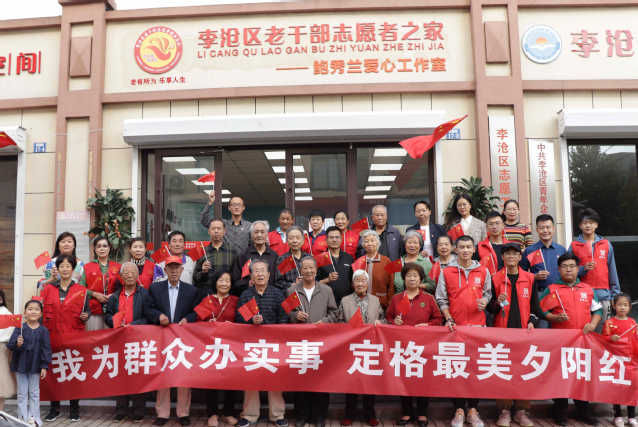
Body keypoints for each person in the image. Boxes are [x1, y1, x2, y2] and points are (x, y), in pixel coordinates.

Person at [539, 253, 602, 426]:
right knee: (561, 376)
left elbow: (597, 310)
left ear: (577, 268)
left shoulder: (587, 289)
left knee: (582, 375)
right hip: (560, 343)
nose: (568, 269)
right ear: (559, 269)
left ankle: (583, 411)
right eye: (565, 266)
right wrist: (554, 318)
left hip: (583, 341)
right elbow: (541, 310)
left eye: (572, 266)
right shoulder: (552, 289)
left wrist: (593, 324)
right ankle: (560, 412)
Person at [435, 235, 491, 427]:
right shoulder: (447, 271)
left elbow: (488, 293)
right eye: (462, 247)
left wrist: (485, 301)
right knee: (457, 369)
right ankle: (459, 409)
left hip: (477, 327)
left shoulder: (483, 270)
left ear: (474, 249)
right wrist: (448, 318)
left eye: (469, 247)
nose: (465, 250)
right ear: (455, 249)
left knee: (474, 369)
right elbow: (441, 299)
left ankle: (473, 410)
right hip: (455, 327)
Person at [487, 243, 543, 427]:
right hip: (502, 333)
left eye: (514, 254)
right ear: (502, 257)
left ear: (520, 257)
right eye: (507, 254)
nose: (511, 256)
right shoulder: (495, 278)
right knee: (503, 371)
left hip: (523, 333)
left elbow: (536, 308)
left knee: (524, 371)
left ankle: (521, 411)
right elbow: (490, 309)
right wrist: (497, 302)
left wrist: (532, 321)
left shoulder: (530, 278)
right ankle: (504, 411)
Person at [386, 263, 442, 427]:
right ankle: (407, 412)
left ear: (420, 279)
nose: (412, 278)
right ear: (404, 279)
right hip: (402, 346)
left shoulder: (428, 298)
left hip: (423, 347)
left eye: (415, 276)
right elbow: (388, 317)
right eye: (409, 275)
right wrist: (394, 322)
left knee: (423, 378)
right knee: (404, 379)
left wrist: (427, 325)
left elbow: (438, 319)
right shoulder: (397, 298)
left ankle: (422, 413)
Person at [148, 256, 201, 426]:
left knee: (183, 374)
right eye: (170, 267)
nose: (173, 271)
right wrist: (158, 316)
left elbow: (197, 311)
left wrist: (188, 319)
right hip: (162, 337)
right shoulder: (155, 289)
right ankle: (162, 414)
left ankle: (183, 413)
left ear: (182, 270)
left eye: (177, 267)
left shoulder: (191, 290)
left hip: (183, 339)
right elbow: (148, 308)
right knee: (163, 374)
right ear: (165, 270)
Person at [235, 260, 289, 427]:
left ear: (268, 274)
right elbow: (239, 319)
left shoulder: (278, 294)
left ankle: (277, 415)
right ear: (251, 276)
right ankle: (250, 415)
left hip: (273, 344)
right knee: (251, 380)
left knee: (275, 379)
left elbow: (284, 317)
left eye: (262, 271)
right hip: (252, 346)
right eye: (256, 271)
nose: (259, 274)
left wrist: (275, 331)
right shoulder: (246, 295)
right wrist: (251, 321)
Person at [329, 270, 384, 427]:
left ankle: (370, 414)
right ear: (353, 284)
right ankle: (349, 414)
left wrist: (381, 323)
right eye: (357, 281)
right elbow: (339, 321)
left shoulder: (375, 300)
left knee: (370, 382)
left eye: (363, 281)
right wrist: (347, 327)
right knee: (351, 381)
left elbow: (383, 318)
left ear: (367, 283)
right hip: (351, 346)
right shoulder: (345, 300)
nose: (360, 284)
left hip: (371, 346)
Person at [287, 256, 337, 427]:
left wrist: (325, 321)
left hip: (321, 342)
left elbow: (334, 313)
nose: (308, 271)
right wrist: (295, 315)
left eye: (311, 268)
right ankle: (302, 415)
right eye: (305, 268)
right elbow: (287, 314)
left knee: (321, 380)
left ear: (316, 271)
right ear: (300, 270)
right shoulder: (292, 290)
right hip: (300, 342)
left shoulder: (326, 290)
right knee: (301, 380)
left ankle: (320, 416)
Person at [40, 254, 89, 422]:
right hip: (52, 337)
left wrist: (86, 315)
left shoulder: (81, 290)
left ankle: (74, 409)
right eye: (62, 266)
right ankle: (54, 409)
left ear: (73, 269)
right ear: (58, 269)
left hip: (73, 337)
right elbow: (40, 312)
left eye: (68, 266)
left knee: (73, 372)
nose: (65, 269)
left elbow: (87, 311)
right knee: (54, 374)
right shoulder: (48, 289)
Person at [104, 262, 154, 422]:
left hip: (138, 339)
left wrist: (133, 325)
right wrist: (115, 322)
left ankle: (139, 410)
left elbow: (149, 316)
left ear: (138, 275)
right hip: (119, 340)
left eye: (133, 272)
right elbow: (107, 315)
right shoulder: (114, 296)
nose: (129, 275)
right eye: (126, 273)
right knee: (121, 375)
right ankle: (121, 409)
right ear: (121, 277)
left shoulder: (145, 294)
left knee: (138, 374)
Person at [193, 271, 239, 427]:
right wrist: (207, 323)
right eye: (221, 280)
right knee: (211, 379)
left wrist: (233, 325)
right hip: (211, 346)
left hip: (231, 347)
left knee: (231, 380)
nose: (224, 283)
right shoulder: (207, 300)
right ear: (215, 282)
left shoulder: (236, 300)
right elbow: (196, 322)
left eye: (227, 281)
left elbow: (244, 321)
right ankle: (212, 413)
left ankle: (228, 413)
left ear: (231, 284)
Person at [568, 208, 620, 322]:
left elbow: (612, 270)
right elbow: (568, 271)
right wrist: (583, 269)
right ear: (580, 225)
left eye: (591, 222)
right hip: (581, 295)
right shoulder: (574, 246)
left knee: (603, 329)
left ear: (596, 225)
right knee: (584, 329)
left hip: (603, 295)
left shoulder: (606, 244)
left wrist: (615, 294)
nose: (588, 225)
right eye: (584, 223)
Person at [7, 299, 51, 427]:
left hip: (35, 366)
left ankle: (34, 418)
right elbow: (10, 345)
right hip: (20, 365)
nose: (33, 311)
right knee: (22, 393)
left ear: (41, 313)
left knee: (34, 393)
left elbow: (46, 349)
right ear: (25, 312)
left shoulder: (43, 331)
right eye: (30, 309)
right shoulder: (19, 329)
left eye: (36, 309)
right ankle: (22, 418)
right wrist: (17, 343)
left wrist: (44, 366)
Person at [602, 293, 638, 427]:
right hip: (615, 361)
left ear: (629, 307)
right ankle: (617, 415)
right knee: (616, 387)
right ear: (614, 305)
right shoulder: (609, 323)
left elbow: (635, 340)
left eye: (625, 305)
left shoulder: (633, 323)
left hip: (630, 361)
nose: (622, 307)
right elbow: (602, 340)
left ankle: (632, 416)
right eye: (619, 304)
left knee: (631, 388)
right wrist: (610, 338)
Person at [81, 236, 120, 331]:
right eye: (98, 246)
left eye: (105, 246)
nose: (102, 249)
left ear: (109, 248)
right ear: (95, 249)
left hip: (113, 310)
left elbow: (123, 287)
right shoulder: (87, 267)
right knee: (94, 338)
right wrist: (95, 294)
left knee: (112, 338)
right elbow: (80, 288)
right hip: (93, 310)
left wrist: (113, 295)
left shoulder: (118, 267)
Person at [231, 220, 279, 296]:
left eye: (262, 232)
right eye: (256, 232)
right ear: (251, 235)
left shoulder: (274, 256)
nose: (259, 235)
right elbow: (235, 281)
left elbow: (278, 280)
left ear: (267, 234)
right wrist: (247, 284)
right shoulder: (243, 256)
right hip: (248, 297)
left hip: (270, 297)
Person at [193, 218, 235, 295]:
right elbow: (195, 278)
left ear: (224, 231)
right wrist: (203, 272)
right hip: (207, 294)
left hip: (227, 294)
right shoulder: (202, 251)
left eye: (219, 228)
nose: (216, 231)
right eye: (213, 229)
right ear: (209, 231)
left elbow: (236, 276)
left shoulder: (233, 251)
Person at [317, 226, 354, 305]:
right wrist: (327, 280)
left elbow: (352, 281)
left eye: (337, 237)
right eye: (331, 237)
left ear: (341, 239)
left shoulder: (349, 258)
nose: (334, 240)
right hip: (325, 301)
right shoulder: (319, 259)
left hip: (346, 302)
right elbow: (313, 283)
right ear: (326, 240)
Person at [358, 230, 394, 309]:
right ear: (363, 244)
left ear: (378, 243)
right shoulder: (359, 262)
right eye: (366, 241)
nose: (369, 243)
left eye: (372, 241)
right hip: (362, 304)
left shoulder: (386, 261)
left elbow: (391, 285)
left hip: (381, 303)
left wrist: (390, 303)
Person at [274, 226, 309, 291]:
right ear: (287, 241)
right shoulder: (283, 259)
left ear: (303, 240)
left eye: (298, 238)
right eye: (291, 238)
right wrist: (292, 285)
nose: (294, 241)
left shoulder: (309, 258)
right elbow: (278, 282)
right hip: (291, 294)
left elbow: (316, 278)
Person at [0, 289, 16, 412]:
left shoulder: (5, 314)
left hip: (1, 348)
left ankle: (0, 413)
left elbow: (8, 335)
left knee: (1, 383)